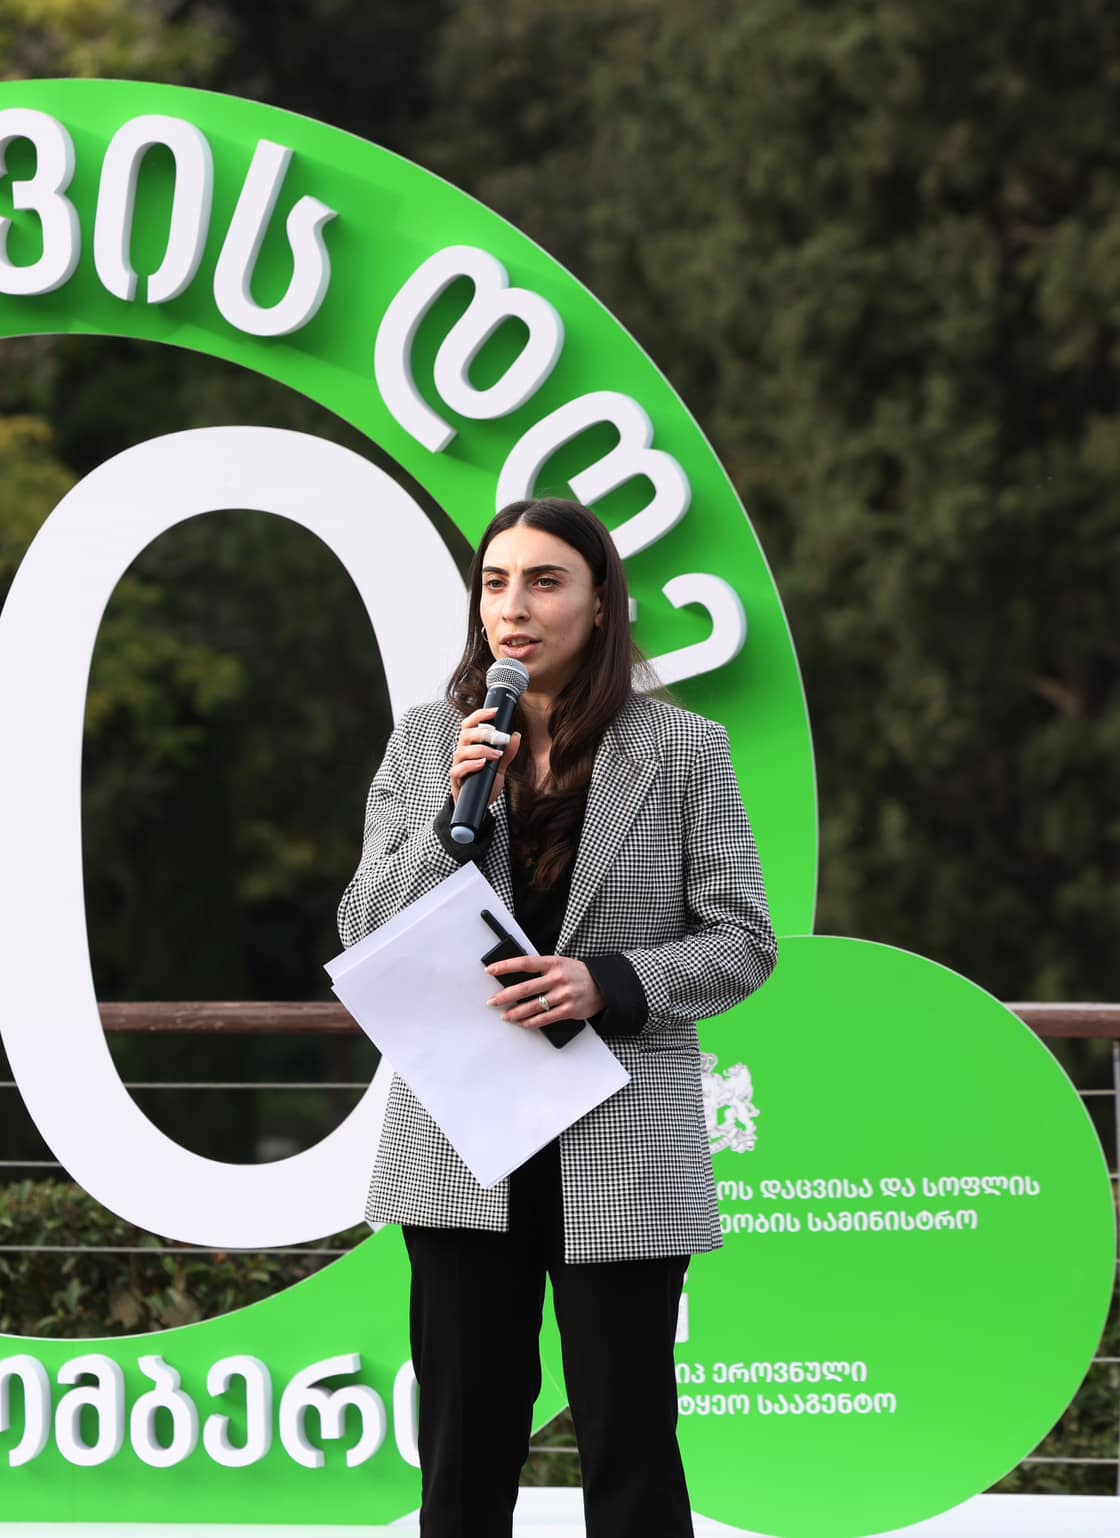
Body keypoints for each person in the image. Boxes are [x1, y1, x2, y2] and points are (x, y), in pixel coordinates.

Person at [335, 497, 777, 1538]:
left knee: (629, 1443)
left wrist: (606, 982)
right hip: (462, 1137)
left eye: (544, 582)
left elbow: (743, 939)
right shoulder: (428, 743)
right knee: (462, 1448)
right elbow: (360, 923)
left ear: (599, 603)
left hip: (621, 1133)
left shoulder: (684, 749)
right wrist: (447, 825)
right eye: (495, 583)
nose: (513, 608)